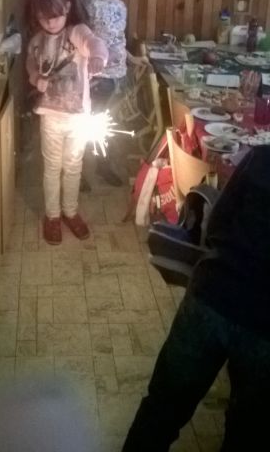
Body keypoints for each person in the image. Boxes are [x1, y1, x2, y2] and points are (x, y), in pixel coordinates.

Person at [122, 145, 270, 452]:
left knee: (161, 409)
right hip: (262, 326)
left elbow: (216, 223)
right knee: (248, 430)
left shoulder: (261, 157)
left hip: (212, 292)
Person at [25, 0, 108, 245]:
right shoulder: (37, 40)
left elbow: (95, 43)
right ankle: (52, 215)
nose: (50, 22)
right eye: (43, 17)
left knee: (73, 167)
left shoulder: (76, 32)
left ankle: (70, 211)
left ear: (68, 7)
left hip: (78, 117)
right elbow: (30, 64)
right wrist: (35, 77)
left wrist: (98, 57)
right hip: (50, 116)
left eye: (56, 15)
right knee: (51, 167)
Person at [86, 0, 146, 186]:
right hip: (98, 78)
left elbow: (117, 41)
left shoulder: (121, 6)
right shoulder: (92, 4)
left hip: (117, 77)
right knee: (91, 125)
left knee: (108, 124)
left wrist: (131, 58)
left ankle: (102, 165)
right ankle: (79, 172)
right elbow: (82, 39)